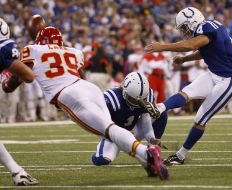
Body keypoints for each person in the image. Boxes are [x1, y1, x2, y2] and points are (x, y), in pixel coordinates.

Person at [3, 26, 169, 180]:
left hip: (68, 93)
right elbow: (80, 74)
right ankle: (147, 162)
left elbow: (21, 76)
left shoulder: (32, 49)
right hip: (90, 88)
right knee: (111, 129)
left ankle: (146, 152)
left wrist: (7, 85)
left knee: (109, 131)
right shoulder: (74, 52)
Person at [144, 7, 232, 165]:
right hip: (215, 73)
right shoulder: (210, 26)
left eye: (184, 26)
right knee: (187, 92)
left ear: (192, 21)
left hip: (230, 80)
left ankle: (181, 155)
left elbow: (192, 45)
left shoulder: (205, 28)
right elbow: (203, 49)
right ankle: (160, 108)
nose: (184, 31)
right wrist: (185, 60)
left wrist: (162, 46)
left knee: (200, 119)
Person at [92, 72, 168, 166]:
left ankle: (152, 153)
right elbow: (100, 124)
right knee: (100, 161)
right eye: (133, 100)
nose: (135, 104)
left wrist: (152, 139)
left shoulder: (147, 96)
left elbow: (146, 126)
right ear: (124, 90)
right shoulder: (111, 98)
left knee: (161, 114)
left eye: (139, 101)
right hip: (114, 136)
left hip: (133, 132)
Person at [0, 18, 38, 185]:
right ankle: (17, 173)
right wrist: (10, 82)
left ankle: (17, 172)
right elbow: (28, 76)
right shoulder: (3, 47)